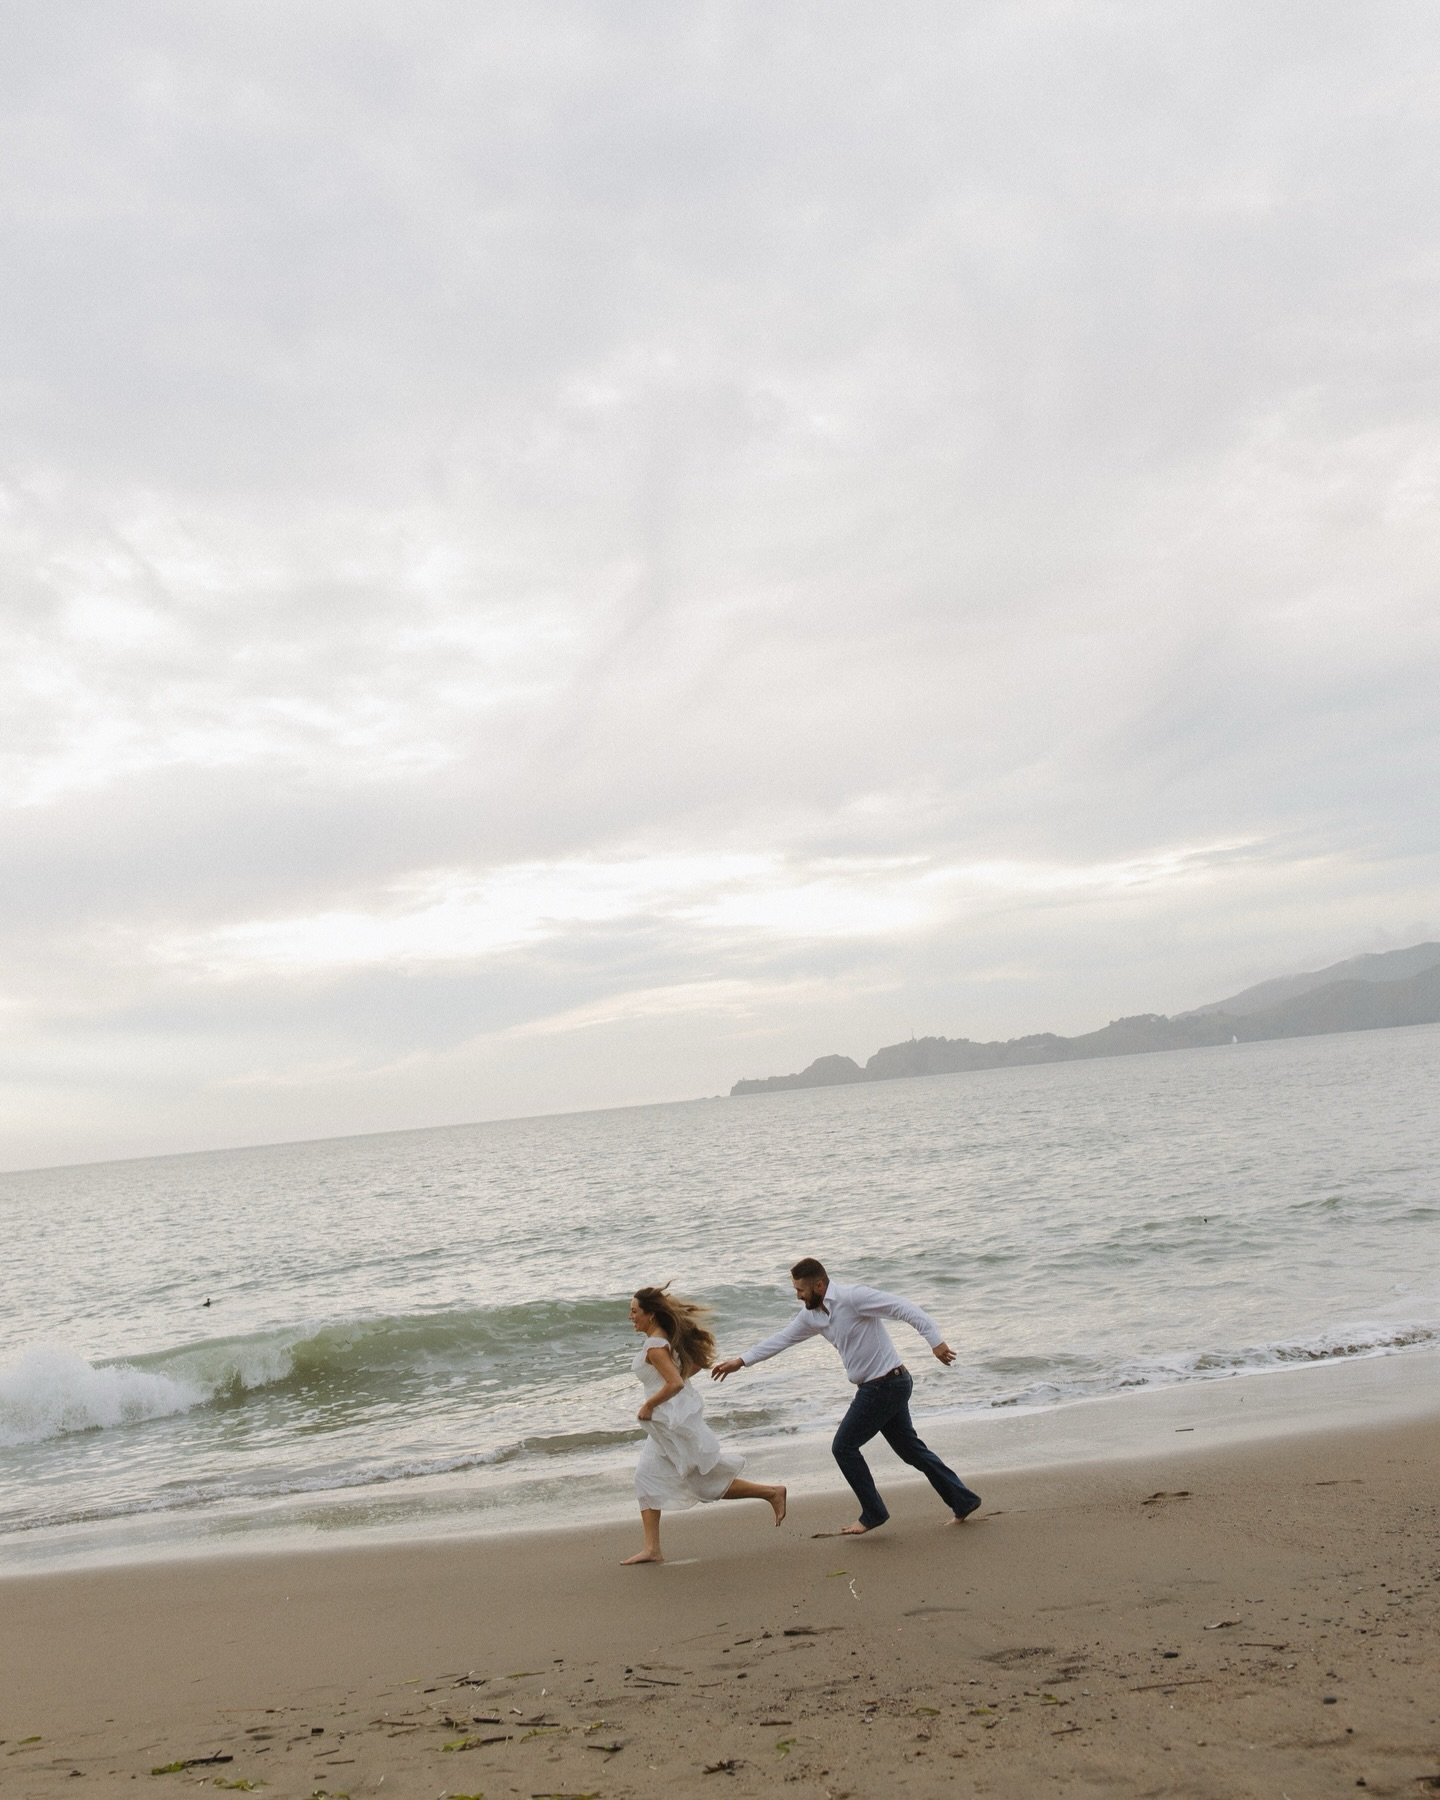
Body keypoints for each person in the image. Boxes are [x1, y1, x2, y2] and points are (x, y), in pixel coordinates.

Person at [711, 1257, 980, 1535]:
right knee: (911, 1450)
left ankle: (874, 1512)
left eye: (801, 1290)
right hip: (885, 1386)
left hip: (885, 1385)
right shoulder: (813, 1315)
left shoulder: (853, 1298)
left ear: (819, 1285)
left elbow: (902, 1307)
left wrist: (935, 1342)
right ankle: (963, 1500)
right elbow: (782, 1339)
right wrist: (741, 1361)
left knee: (843, 1447)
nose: (798, 1295)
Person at [623, 1285, 787, 1565]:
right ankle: (652, 1549)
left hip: (670, 1423)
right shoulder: (663, 1341)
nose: (631, 1317)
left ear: (651, 1315)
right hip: (666, 1424)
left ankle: (771, 1492)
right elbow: (692, 1367)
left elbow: (675, 1382)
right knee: (645, 1477)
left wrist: (649, 1404)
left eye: (634, 1311)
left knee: (703, 1483)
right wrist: (670, 1388)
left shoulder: (655, 1346)